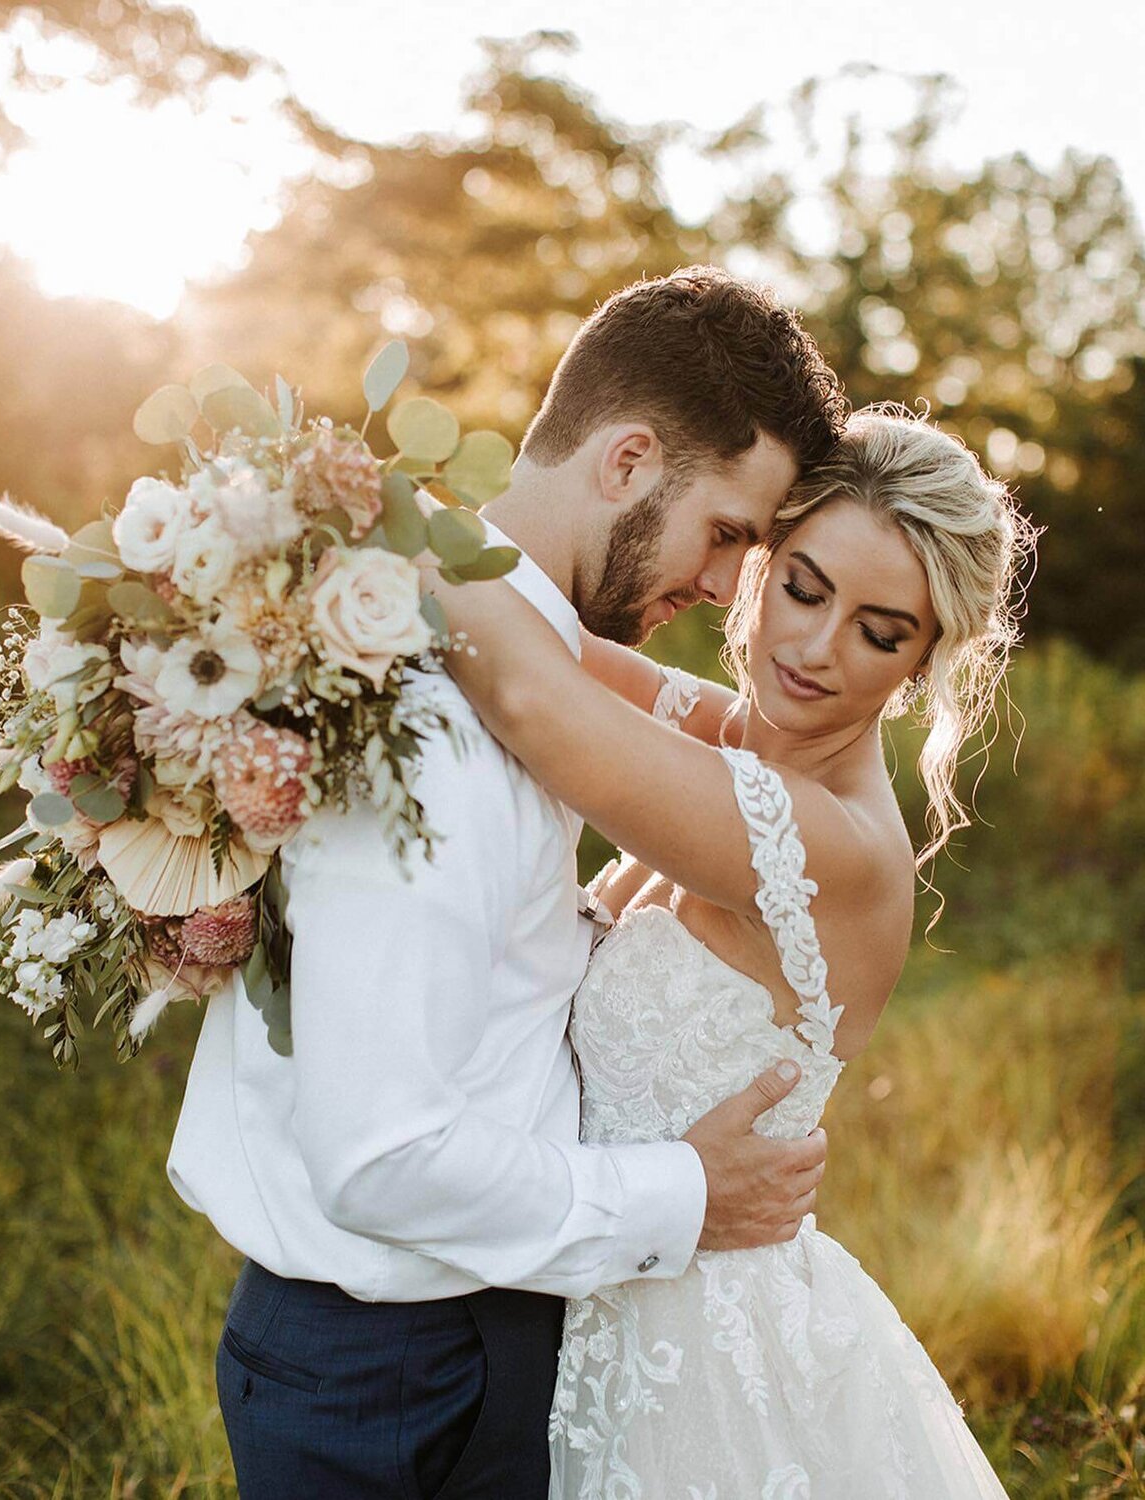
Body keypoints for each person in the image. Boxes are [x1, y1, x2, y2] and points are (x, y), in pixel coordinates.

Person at [166, 266, 847, 1498]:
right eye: (730, 534)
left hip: (478, 1327)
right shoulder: (437, 721)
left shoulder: (484, 637)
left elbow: (481, 961)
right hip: (392, 1374)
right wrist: (687, 1193)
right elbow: (380, 1156)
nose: (722, 585)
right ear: (629, 460)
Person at [422, 405, 1036, 1497]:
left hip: (701, 1359)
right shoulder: (740, 738)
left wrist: (348, 514)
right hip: (587, 1292)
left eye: (879, 632)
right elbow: (552, 635)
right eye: (804, 588)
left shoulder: (828, 842)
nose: (813, 648)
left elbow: (527, 688)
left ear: (926, 662)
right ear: (759, 567)